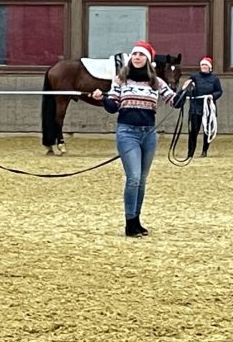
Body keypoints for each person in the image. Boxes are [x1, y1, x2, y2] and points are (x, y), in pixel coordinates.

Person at [90, 40, 187, 238]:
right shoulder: (121, 79)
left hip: (149, 133)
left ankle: (137, 220)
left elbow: (174, 102)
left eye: (141, 55)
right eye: (134, 54)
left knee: (142, 180)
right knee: (133, 177)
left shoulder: (156, 82)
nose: (137, 57)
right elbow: (113, 106)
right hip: (127, 132)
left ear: (148, 59)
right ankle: (129, 222)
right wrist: (102, 99)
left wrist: (186, 90)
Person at [184, 56, 223, 158]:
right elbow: (187, 89)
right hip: (195, 107)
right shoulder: (194, 76)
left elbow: (219, 91)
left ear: (209, 67)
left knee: (207, 131)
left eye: (206, 65)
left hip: (208, 107)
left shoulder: (214, 79)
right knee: (194, 131)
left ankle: (204, 151)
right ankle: (190, 153)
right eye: (202, 65)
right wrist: (189, 88)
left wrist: (212, 96)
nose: (204, 66)